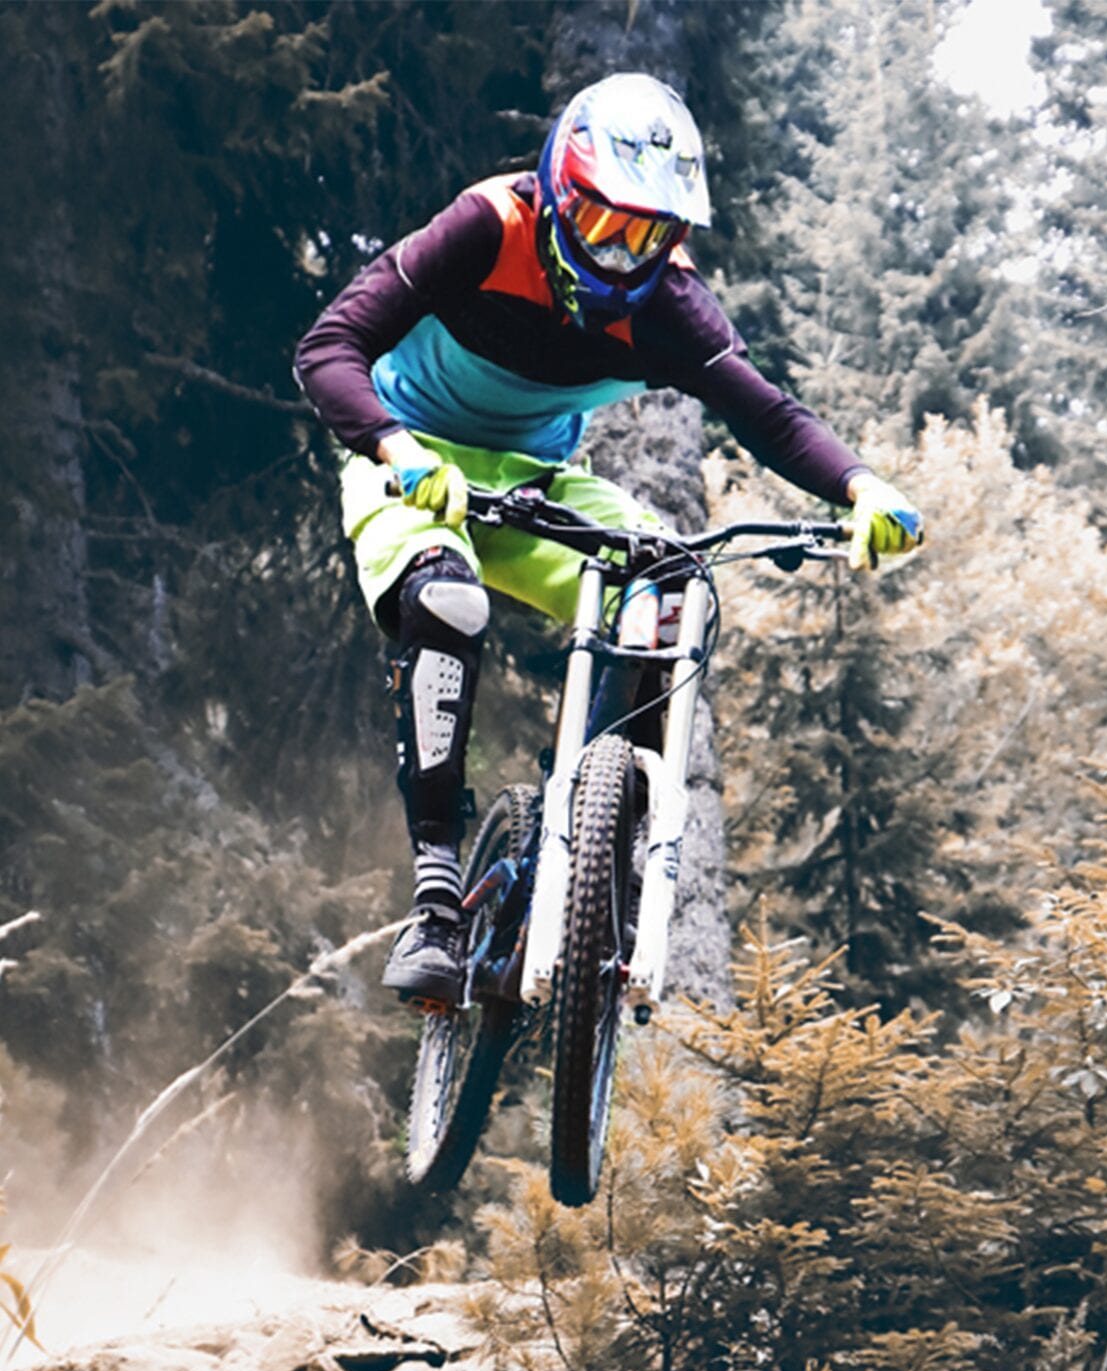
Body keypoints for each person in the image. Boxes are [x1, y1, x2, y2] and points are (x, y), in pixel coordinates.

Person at [294, 72, 923, 1007]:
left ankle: (585, 828)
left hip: (538, 484)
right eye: (604, 221)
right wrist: (393, 446)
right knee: (448, 600)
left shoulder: (668, 307)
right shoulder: (486, 226)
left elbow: (771, 416)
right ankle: (436, 896)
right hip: (412, 461)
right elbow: (328, 346)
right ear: (556, 188)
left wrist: (862, 483)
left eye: (650, 233)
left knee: (669, 586)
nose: (623, 252)